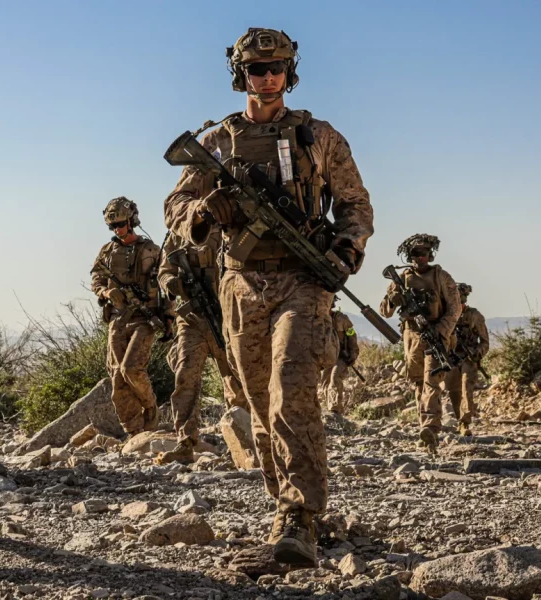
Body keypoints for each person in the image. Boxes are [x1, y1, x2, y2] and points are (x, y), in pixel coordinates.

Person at [164, 28, 373, 568]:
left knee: (290, 388)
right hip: (240, 284)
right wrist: (205, 212)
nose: (268, 77)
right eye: (257, 69)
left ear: (290, 71)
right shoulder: (216, 142)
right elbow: (175, 208)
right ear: (242, 75)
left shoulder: (318, 136)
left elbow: (355, 205)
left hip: (302, 281)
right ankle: (284, 507)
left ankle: (301, 515)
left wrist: (345, 251)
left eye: (276, 67)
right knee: (258, 402)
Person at [155, 230, 245, 465]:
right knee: (185, 375)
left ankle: (245, 439)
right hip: (192, 319)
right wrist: (172, 283)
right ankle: (185, 443)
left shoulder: (226, 225)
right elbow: (164, 271)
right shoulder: (178, 233)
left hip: (226, 314)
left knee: (236, 378)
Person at [379, 234, 461, 454]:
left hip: (436, 335)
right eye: (415, 254)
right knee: (418, 385)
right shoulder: (402, 278)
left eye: (423, 253)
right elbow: (385, 311)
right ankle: (424, 431)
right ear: (410, 256)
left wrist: (441, 329)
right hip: (412, 338)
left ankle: (430, 428)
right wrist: (393, 299)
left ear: (430, 255)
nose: (419, 257)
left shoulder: (441, 277)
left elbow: (455, 309)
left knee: (432, 382)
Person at [90, 197, 163, 435]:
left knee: (131, 369)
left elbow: (167, 284)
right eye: (112, 226)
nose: (117, 230)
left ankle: (150, 407)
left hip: (145, 318)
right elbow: (96, 279)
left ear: (132, 221)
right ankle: (134, 431)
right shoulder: (107, 252)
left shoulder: (151, 250)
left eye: (120, 224)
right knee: (117, 378)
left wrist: (170, 317)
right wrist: (106, 292)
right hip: (118, 318)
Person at [445, 283, 489, 437]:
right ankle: (459, 420)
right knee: (453, 389)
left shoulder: (474, 316)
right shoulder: (446, 316)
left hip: (468, 358)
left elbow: (485, 342)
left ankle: (465, 422)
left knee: (466, 387)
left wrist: (477, 353)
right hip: (451, 356)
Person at [320, 298, 359, 414]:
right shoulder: (318, 319)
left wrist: (353, 353)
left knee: (335, 378)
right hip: (326, 358)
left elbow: (351, 334)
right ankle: (331, 409)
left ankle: (335, 409)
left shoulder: (341, 319)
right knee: (325, 382)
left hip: (341, 357)